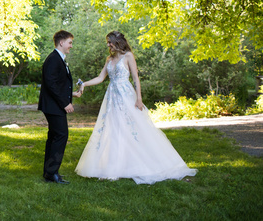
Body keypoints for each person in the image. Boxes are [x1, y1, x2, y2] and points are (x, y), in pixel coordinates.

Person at [75, 31, 197, 184]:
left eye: (110, 42)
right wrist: (84, 84)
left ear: (117, 42)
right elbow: (101, 78)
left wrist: (139, 98)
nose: (108, 45)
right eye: (107, 42)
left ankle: (140, 163)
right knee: (113, 129)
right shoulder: (109, 59)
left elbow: (135, 78)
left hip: (126, 96)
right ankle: (113, 166)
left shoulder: (128, 56)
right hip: (112, 97)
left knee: (132, 128)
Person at [38, 30, 82, 184]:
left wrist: (72, 96)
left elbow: (58, 83)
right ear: (61, 42)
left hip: (53, 105)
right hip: (54, 106)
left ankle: (49, 173)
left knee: (54, 137)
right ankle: (52, 173)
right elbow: (51, 84)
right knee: (61, 136)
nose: (71, 46)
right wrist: (65, 103)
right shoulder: (53, 59)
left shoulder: (58, 59)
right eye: (70, 42)